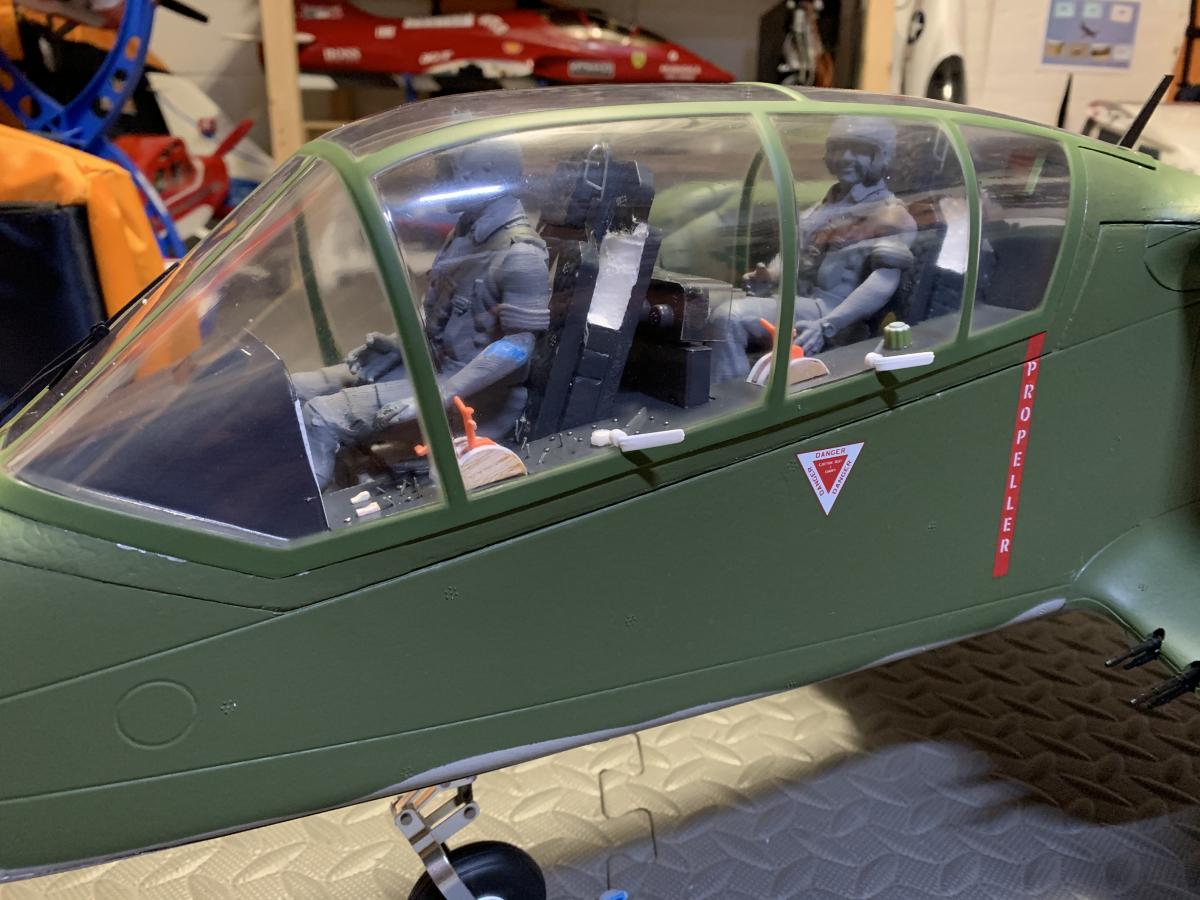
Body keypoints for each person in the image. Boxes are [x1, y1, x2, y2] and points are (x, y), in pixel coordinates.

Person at [294, 140, 551, 489]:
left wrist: (441, 395)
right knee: (298, 388)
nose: (439, 181)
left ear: (488, 174)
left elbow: (520, 345)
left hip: (474, 398)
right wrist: (400, 345)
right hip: (433, 370)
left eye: (450, 171)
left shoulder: (521, 254)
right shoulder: (463, 236)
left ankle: (304, 514)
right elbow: (440, 315)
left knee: (321, 417)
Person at [707, 116, 916, 382]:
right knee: (705, 306)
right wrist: (770, 275)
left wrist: (827, 326)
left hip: (833, 312)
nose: (845, 157)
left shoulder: (891, 215)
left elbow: (883, 283)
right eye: (838, 148)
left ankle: (737, 399)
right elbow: (795, 251)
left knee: (729, 318)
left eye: (859, 149)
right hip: (800, 303)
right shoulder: (824, 206)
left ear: (881, 156)